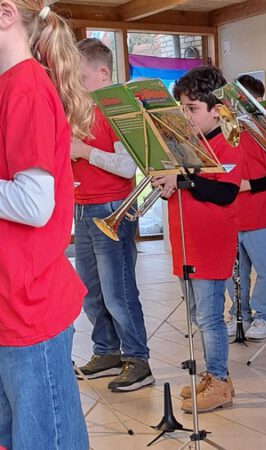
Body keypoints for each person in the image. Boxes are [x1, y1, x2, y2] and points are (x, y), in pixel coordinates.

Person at [0, 1, 94, 447]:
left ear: (6, 14)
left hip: (29, 305)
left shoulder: (28, 89)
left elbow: (35, 205)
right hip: (10, 302)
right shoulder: (10, 85)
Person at [151, 65, 242, 413]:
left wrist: (183, 177)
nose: (185, 117)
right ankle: (213, 375)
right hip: (185, 238)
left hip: (210, 240)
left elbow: (225, 193)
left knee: (209, 317)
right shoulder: (187, 144)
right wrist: (167, 182)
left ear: (216, 109)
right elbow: (178, 189)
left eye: (192, 109)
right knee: (195, 314)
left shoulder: (229, 141)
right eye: (182, 109)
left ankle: (218, 380)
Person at [73, 37, 154, 392]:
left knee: (118, 291)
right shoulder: (80, 109)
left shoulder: (119, 109)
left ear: (102, 73)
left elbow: (128, 166)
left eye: (78, 76)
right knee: (90, 291)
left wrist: (84, 151)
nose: (71, 84)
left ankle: (137, 359)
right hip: (83, 206)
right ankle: (106, 351)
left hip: (112, 207)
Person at [225, 74, 266, 340]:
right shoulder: (227, 133)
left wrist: (250, 185)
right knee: (233, 274)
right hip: (231, 215)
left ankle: (263, 316)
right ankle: (239, 314)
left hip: (260, 216)